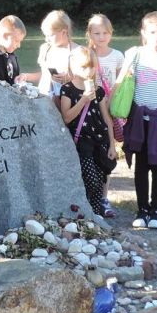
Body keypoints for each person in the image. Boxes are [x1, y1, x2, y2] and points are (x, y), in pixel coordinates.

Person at [115, 11, 157, 229]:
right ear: (144, 32)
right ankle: (142, 210)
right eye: (152, 32)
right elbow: (120, 82)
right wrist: (110, 102)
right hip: (140, 119)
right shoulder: (135, 54)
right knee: (141, 165)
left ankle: (156, 212)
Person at [58, 47, 118, 219]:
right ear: (73, 66)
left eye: (92, 66)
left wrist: (112, 144)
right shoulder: (67, 89)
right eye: (84, 67)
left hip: (99, 140)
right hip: (81, 141)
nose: (89, 71)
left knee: (100, 178)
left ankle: (94, 215)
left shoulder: (98, 90)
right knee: (91, 180)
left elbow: (106, 119)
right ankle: (84, 209)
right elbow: (67, 117)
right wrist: (84, 98)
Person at [34, 10, 81, 95]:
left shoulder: (77, 51)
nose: (46, 39)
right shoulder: (45, 49)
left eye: (50, 35)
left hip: (66, 99)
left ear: (64, 32)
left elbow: (86, 78)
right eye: (45, 35)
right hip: (44, 96)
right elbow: (44, 74)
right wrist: (26, 76)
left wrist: (70, 77)